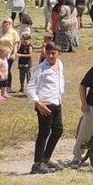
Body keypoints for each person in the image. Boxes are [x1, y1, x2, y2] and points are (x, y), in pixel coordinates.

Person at [27, 41, 65, 173]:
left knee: (58, 131)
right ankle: (37, 163)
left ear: (58, 53)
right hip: (45, 104)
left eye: (53, 53)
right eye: (48, 53)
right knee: (44, 133)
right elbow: (30, 88)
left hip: (57, 102)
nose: (50, 56)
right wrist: (37, 103)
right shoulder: (41, 68)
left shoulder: (59, 64)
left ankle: (46, 158)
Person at [15, 28, 33, 94]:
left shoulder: (29, 45)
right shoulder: (21, 45)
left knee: (28, 76)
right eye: (24, 39)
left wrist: (21, 55)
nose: (25, 40)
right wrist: (18, 45)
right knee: (21, 76)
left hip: (27, 63)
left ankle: (29, 88)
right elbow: (17, 52)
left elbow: (30, 54)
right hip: (21, 63)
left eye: (27, 39)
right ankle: (21, 88)